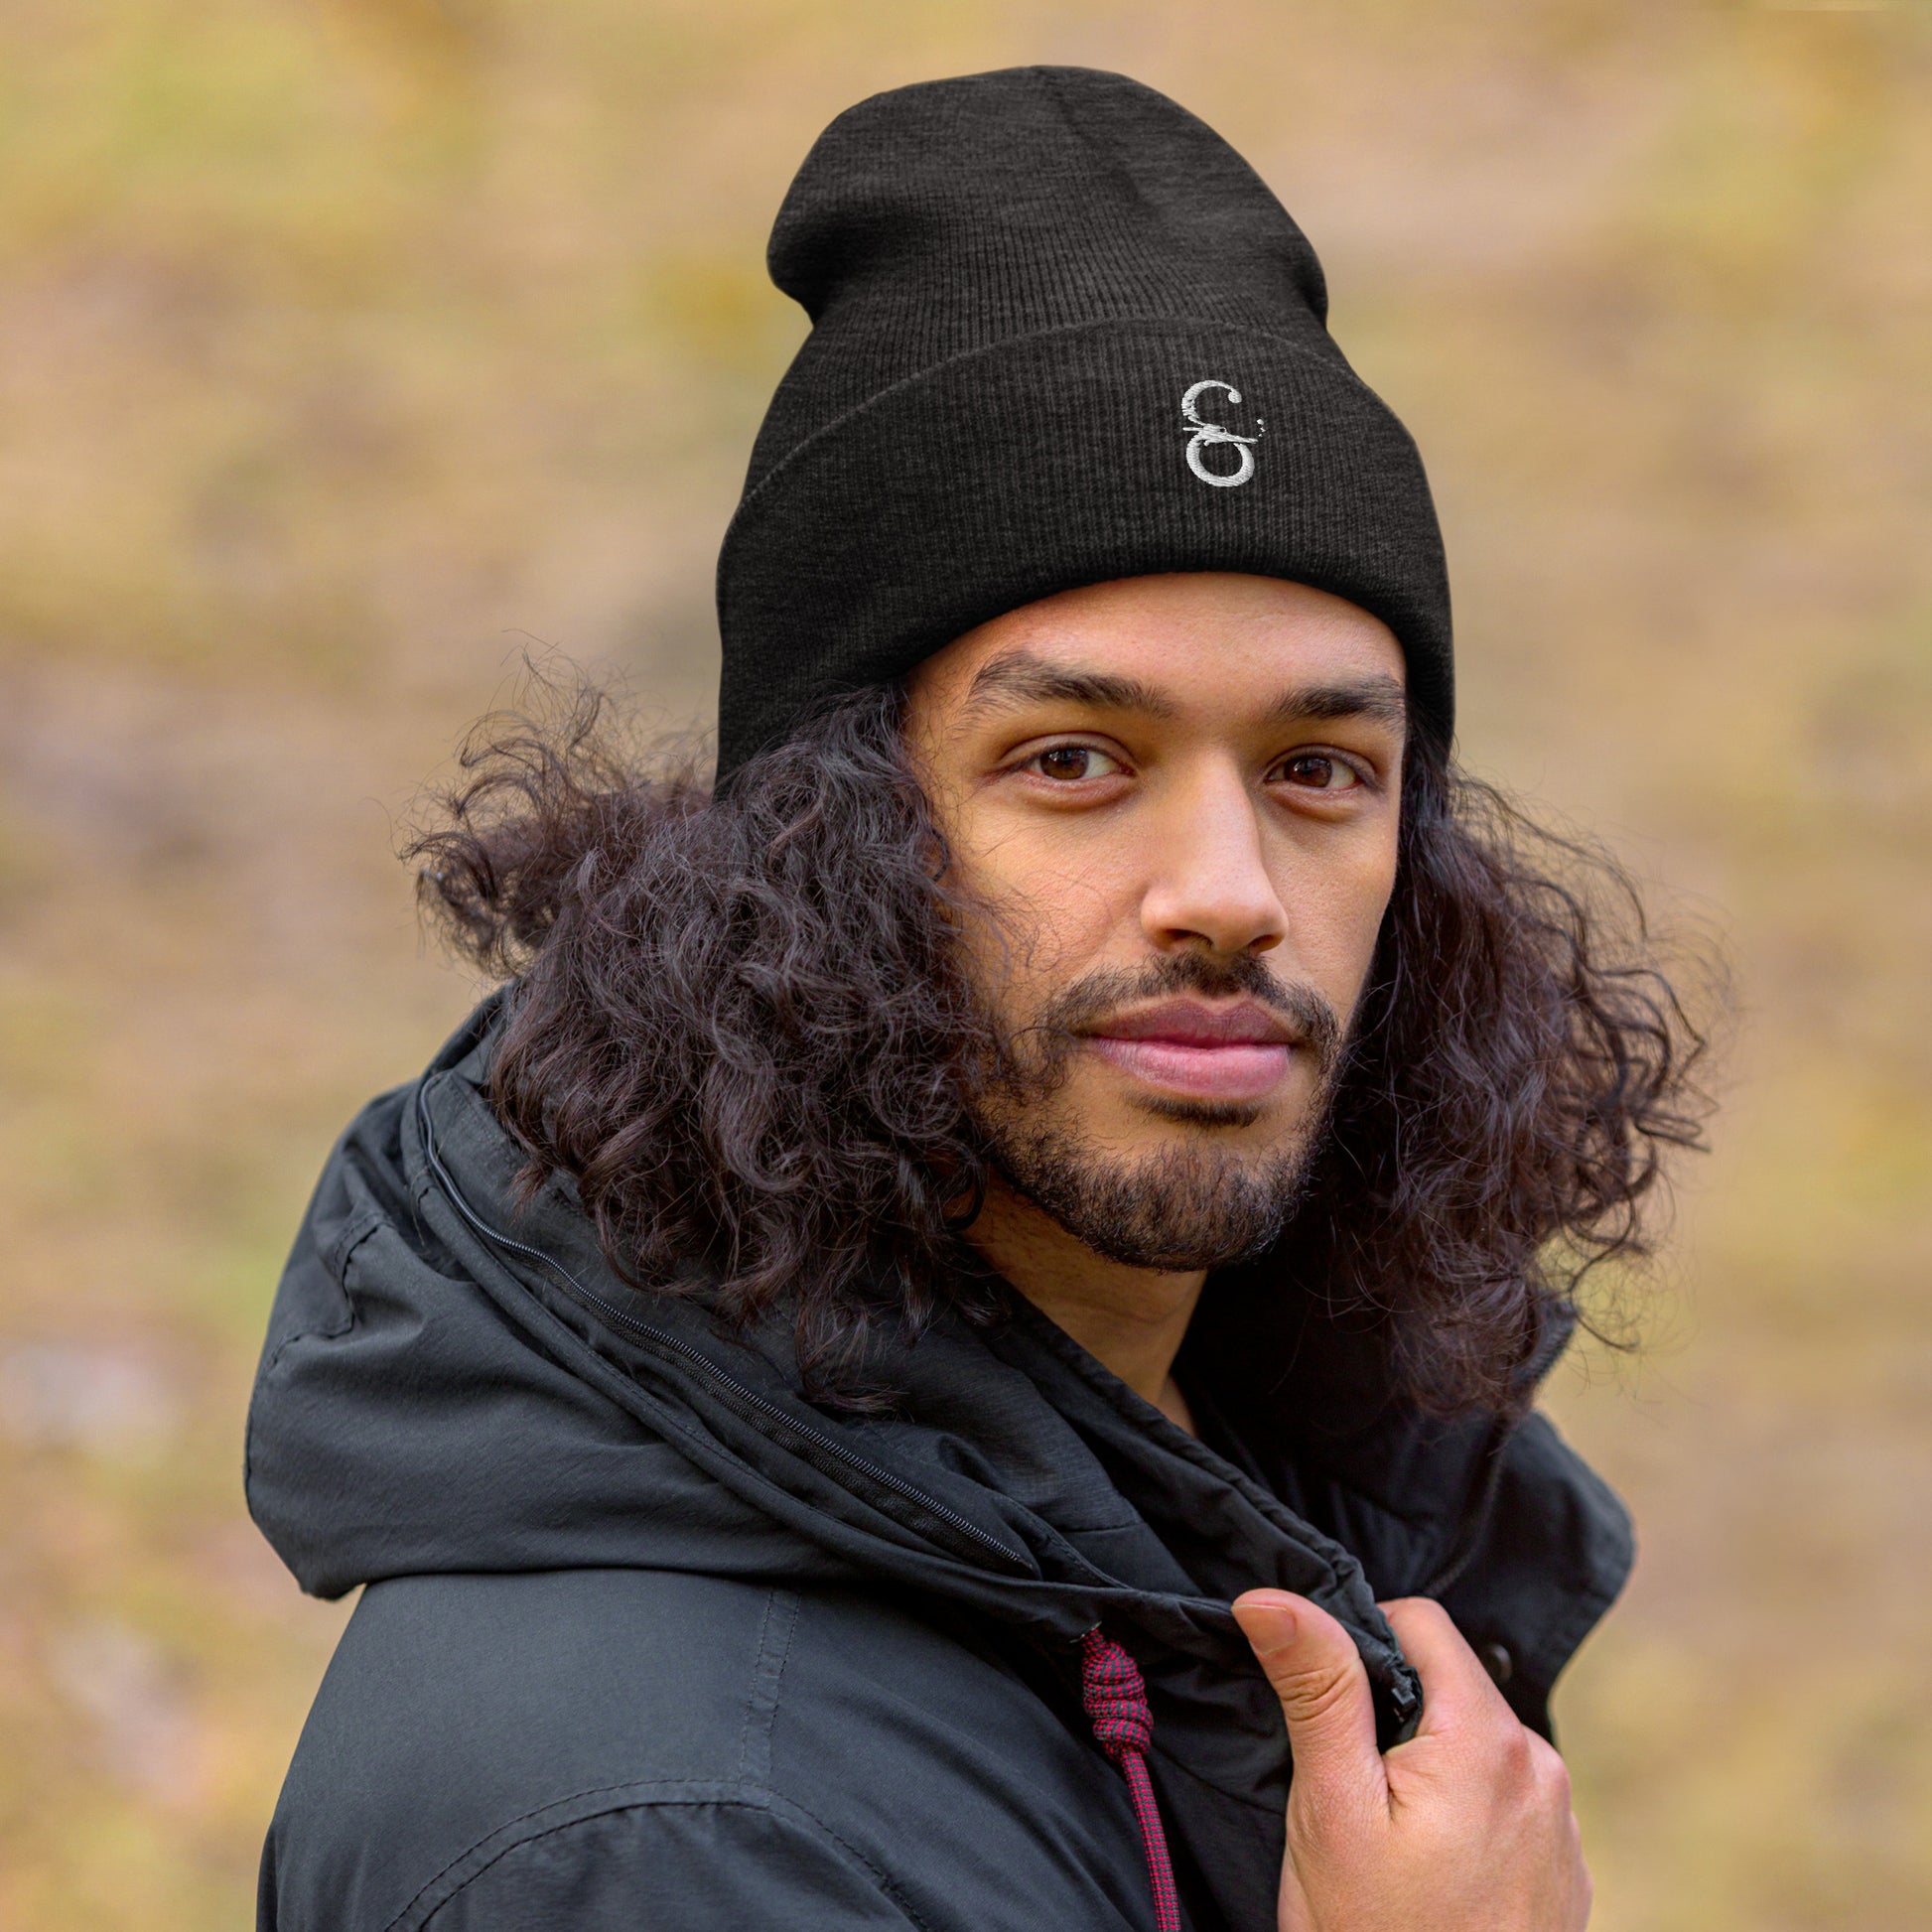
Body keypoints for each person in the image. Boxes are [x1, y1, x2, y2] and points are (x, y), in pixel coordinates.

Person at [248, 67, 1708, 1932]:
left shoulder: (1237, 1476)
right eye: (1075, 760)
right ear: (820, 841)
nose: (1229, 896)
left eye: (1319, 768)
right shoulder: (669, 1831)